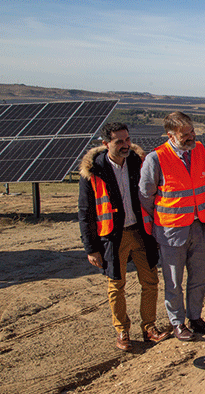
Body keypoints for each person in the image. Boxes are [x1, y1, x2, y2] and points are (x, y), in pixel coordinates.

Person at [78, 122, 170, 351]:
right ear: (105, 144)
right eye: (119, 141)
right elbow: (85, 213)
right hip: (113, 237)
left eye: (127, 139)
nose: (125, 145)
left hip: (141, 233)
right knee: (116, 285)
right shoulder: (94, 171)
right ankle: (122, 331)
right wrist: (91, 248)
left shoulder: (138, 163)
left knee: (150, 281)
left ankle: (149, 327)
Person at [139, 111, 205, 341]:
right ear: (170, 135)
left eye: (192, 131)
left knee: (200, 278)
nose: (192, 136)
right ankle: (177, 323)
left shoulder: (200, 150)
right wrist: (162, 218)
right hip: (171, 230)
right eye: (185, 134)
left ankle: (195, 317)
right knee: (174, 281)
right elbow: (145, 195)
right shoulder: (156, 158)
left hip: (201, 226)